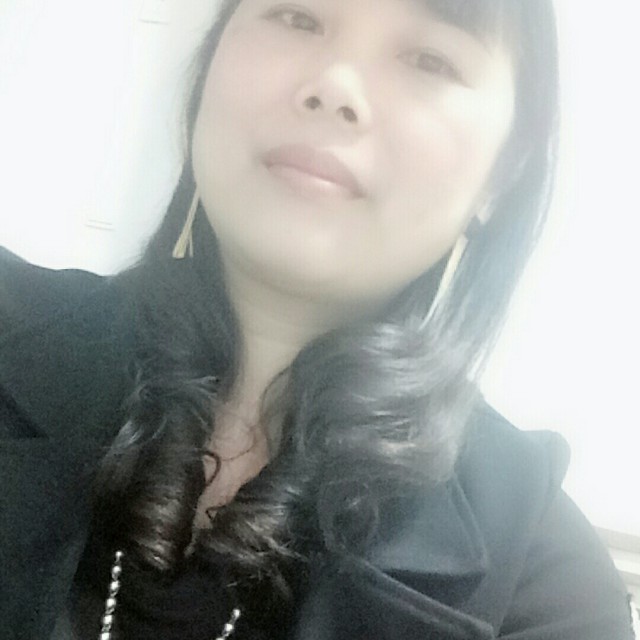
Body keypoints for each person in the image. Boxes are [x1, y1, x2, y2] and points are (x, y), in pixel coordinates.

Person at [0, 0, 635, 638]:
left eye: (429, 60)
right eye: (297, 18)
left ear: (504, 172)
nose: (335, 86)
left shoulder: (547, 588)